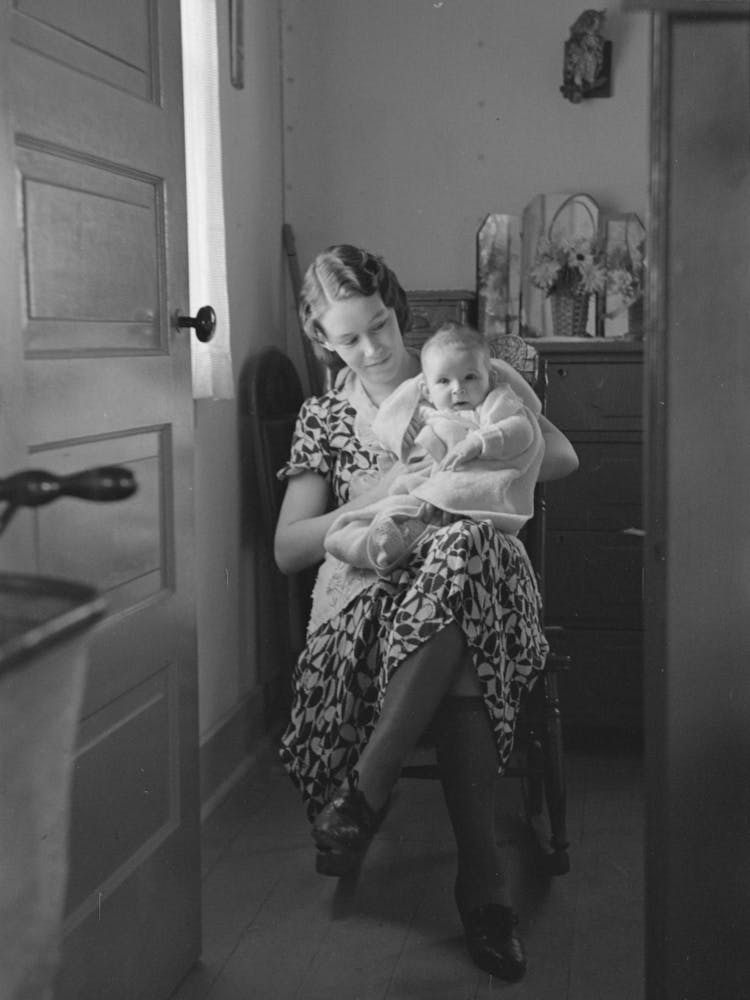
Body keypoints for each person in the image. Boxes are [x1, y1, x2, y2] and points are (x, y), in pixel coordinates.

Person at [274, 244, 579, 982]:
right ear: (324, 341)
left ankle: (365, 792)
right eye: (350, 338)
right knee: (460, 607)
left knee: (466, 548)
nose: (374, 348)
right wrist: (382, 493)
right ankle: (483, 888)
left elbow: (559, 457)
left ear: (397, 309)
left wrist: (470, 448)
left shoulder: (457, 371)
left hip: (474, 574)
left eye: (380, 325)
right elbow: (289, 549)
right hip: (372, 597)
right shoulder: (324, 416)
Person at [323, 321, 545, 573]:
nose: (458, 388)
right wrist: (405, 437)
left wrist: (477, 443)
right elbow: (392, 431)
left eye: (470, 377)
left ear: (490, 378)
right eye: (443, 381)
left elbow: (522, 431)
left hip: (471, 493)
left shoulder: (494, 406)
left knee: (428, 512)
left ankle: (410, 531)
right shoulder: (429, 415)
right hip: (425, 491)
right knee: (370, 517)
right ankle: (375, 544)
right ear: (427, 390)